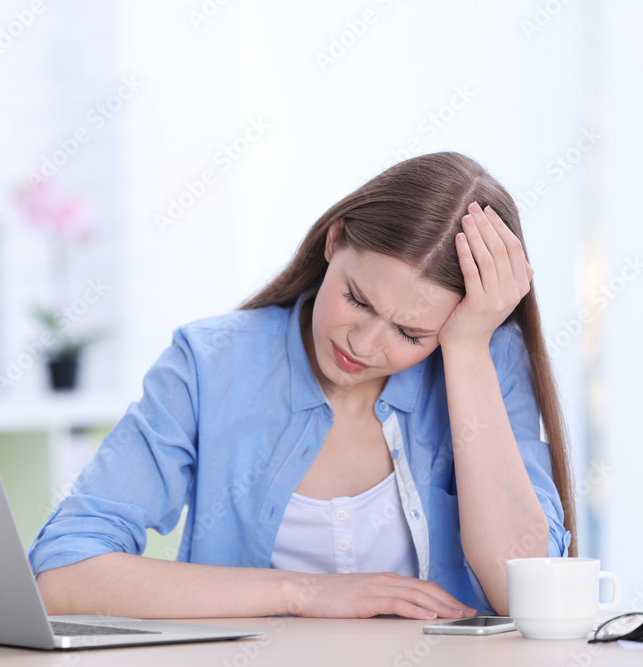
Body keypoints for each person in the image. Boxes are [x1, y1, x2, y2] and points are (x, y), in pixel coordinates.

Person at [28, 151, 576, 621]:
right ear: (334, 240)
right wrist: (303, 593)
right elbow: (62, 574)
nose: (364, 344)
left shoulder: (482, 361)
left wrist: (466, 348)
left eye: (411, 332)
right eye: (358, 300)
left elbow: (526, 595)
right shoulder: (210, 363)